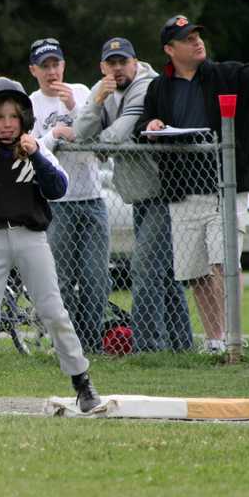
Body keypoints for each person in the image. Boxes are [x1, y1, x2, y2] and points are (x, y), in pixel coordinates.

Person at [0, 77, 101, 415]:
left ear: (24, 118)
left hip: (31, 238)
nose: (7, 124)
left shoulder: (35, 147)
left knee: (53, 312)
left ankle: (81, 381)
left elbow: (58, 188)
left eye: (13, 116)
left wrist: (37, 156)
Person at [135, 13, 249, 353]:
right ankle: (215, 340)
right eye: (188, 39)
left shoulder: (227, 75)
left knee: (224, 264)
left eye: (198, 36)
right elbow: (142, 124)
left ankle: (233, 336)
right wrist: (152, 125)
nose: (197, 42)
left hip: (226, 188)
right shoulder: (159, 87)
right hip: (183, 192)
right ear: (170, 50)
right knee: (197, 272)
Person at [75, 37, 193, 352]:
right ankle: (181, 347)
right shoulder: (104, 89)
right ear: (102, 67)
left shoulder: (147, 85)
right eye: (111, 63)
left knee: (144, 267)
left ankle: (148, 347)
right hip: (139, 194)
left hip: (165, 191)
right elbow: (80, 132)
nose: (117, 69)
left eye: (123, 62)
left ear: (135, 62)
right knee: (164, 275)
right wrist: (97, 101)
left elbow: (116, 136)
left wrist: (95, 143)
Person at [28, 38, 110, 353]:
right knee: (59, 278)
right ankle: (65, 343)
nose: (52, 72)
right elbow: (29, 150)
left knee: (95, 278)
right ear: (33, 70)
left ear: (63, 65)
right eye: (45, 66)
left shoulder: (82, 92)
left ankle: (91, 344)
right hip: (55, 204)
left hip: (91, 197)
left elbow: (98, 137)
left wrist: (75, 108)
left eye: (56, 64)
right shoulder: (30, 104)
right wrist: (54, 135)